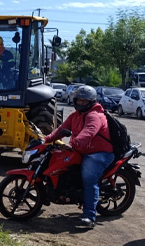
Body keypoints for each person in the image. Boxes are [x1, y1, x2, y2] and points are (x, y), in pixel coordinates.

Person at [43, 85, 115, 228]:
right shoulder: (75, 116)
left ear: (92, 102)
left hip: (98, 153)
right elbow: (61, 130)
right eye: (79, 100)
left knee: (89, 180)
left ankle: (89, 217)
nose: (81, 103)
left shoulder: (95, 116)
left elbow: (89, 132)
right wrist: (46, 139)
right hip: (81, 150)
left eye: (85, 101)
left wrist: (74, 143)